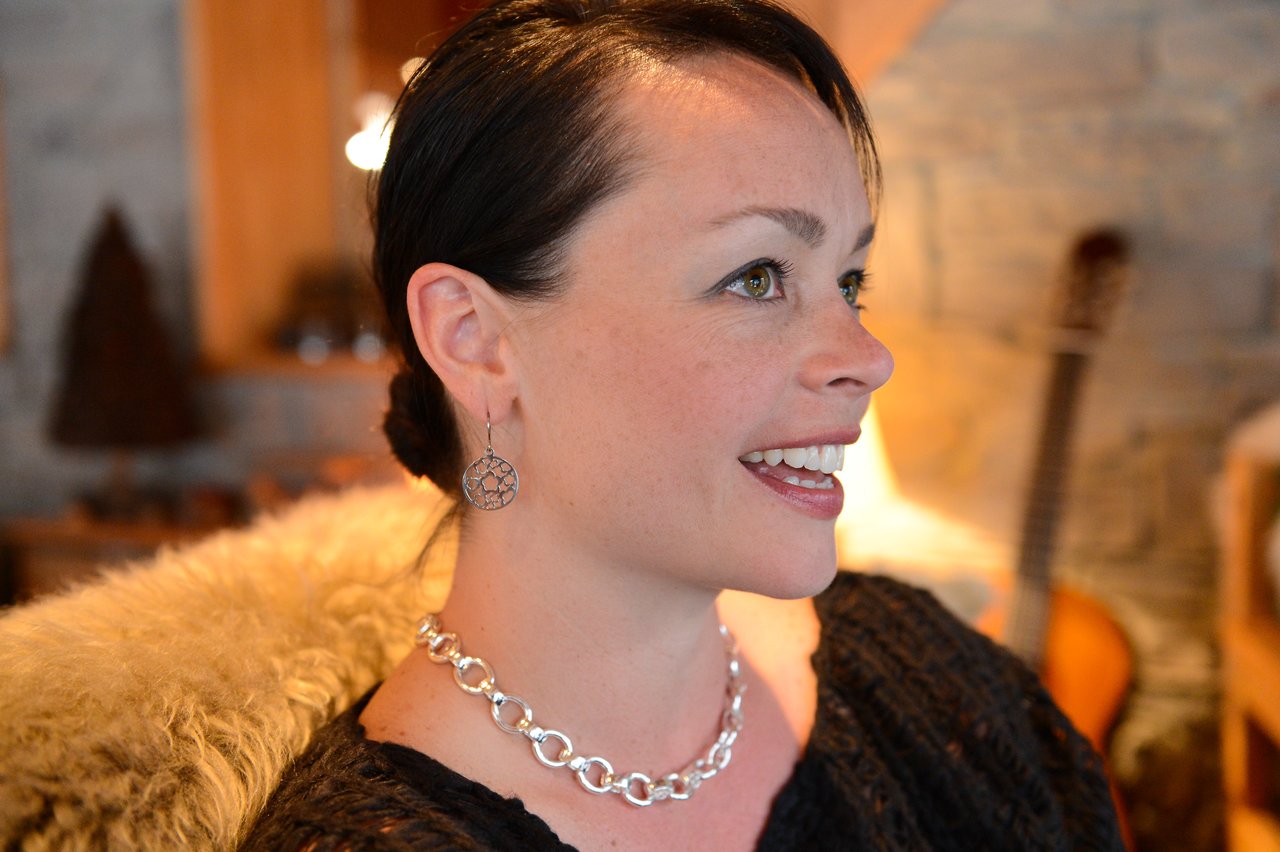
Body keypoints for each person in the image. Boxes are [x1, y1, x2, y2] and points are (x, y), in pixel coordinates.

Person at [245, 0, 1124, 848]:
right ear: (474, 340)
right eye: (756, 275)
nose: (867, 355)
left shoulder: (935, 686)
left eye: (849, 281)